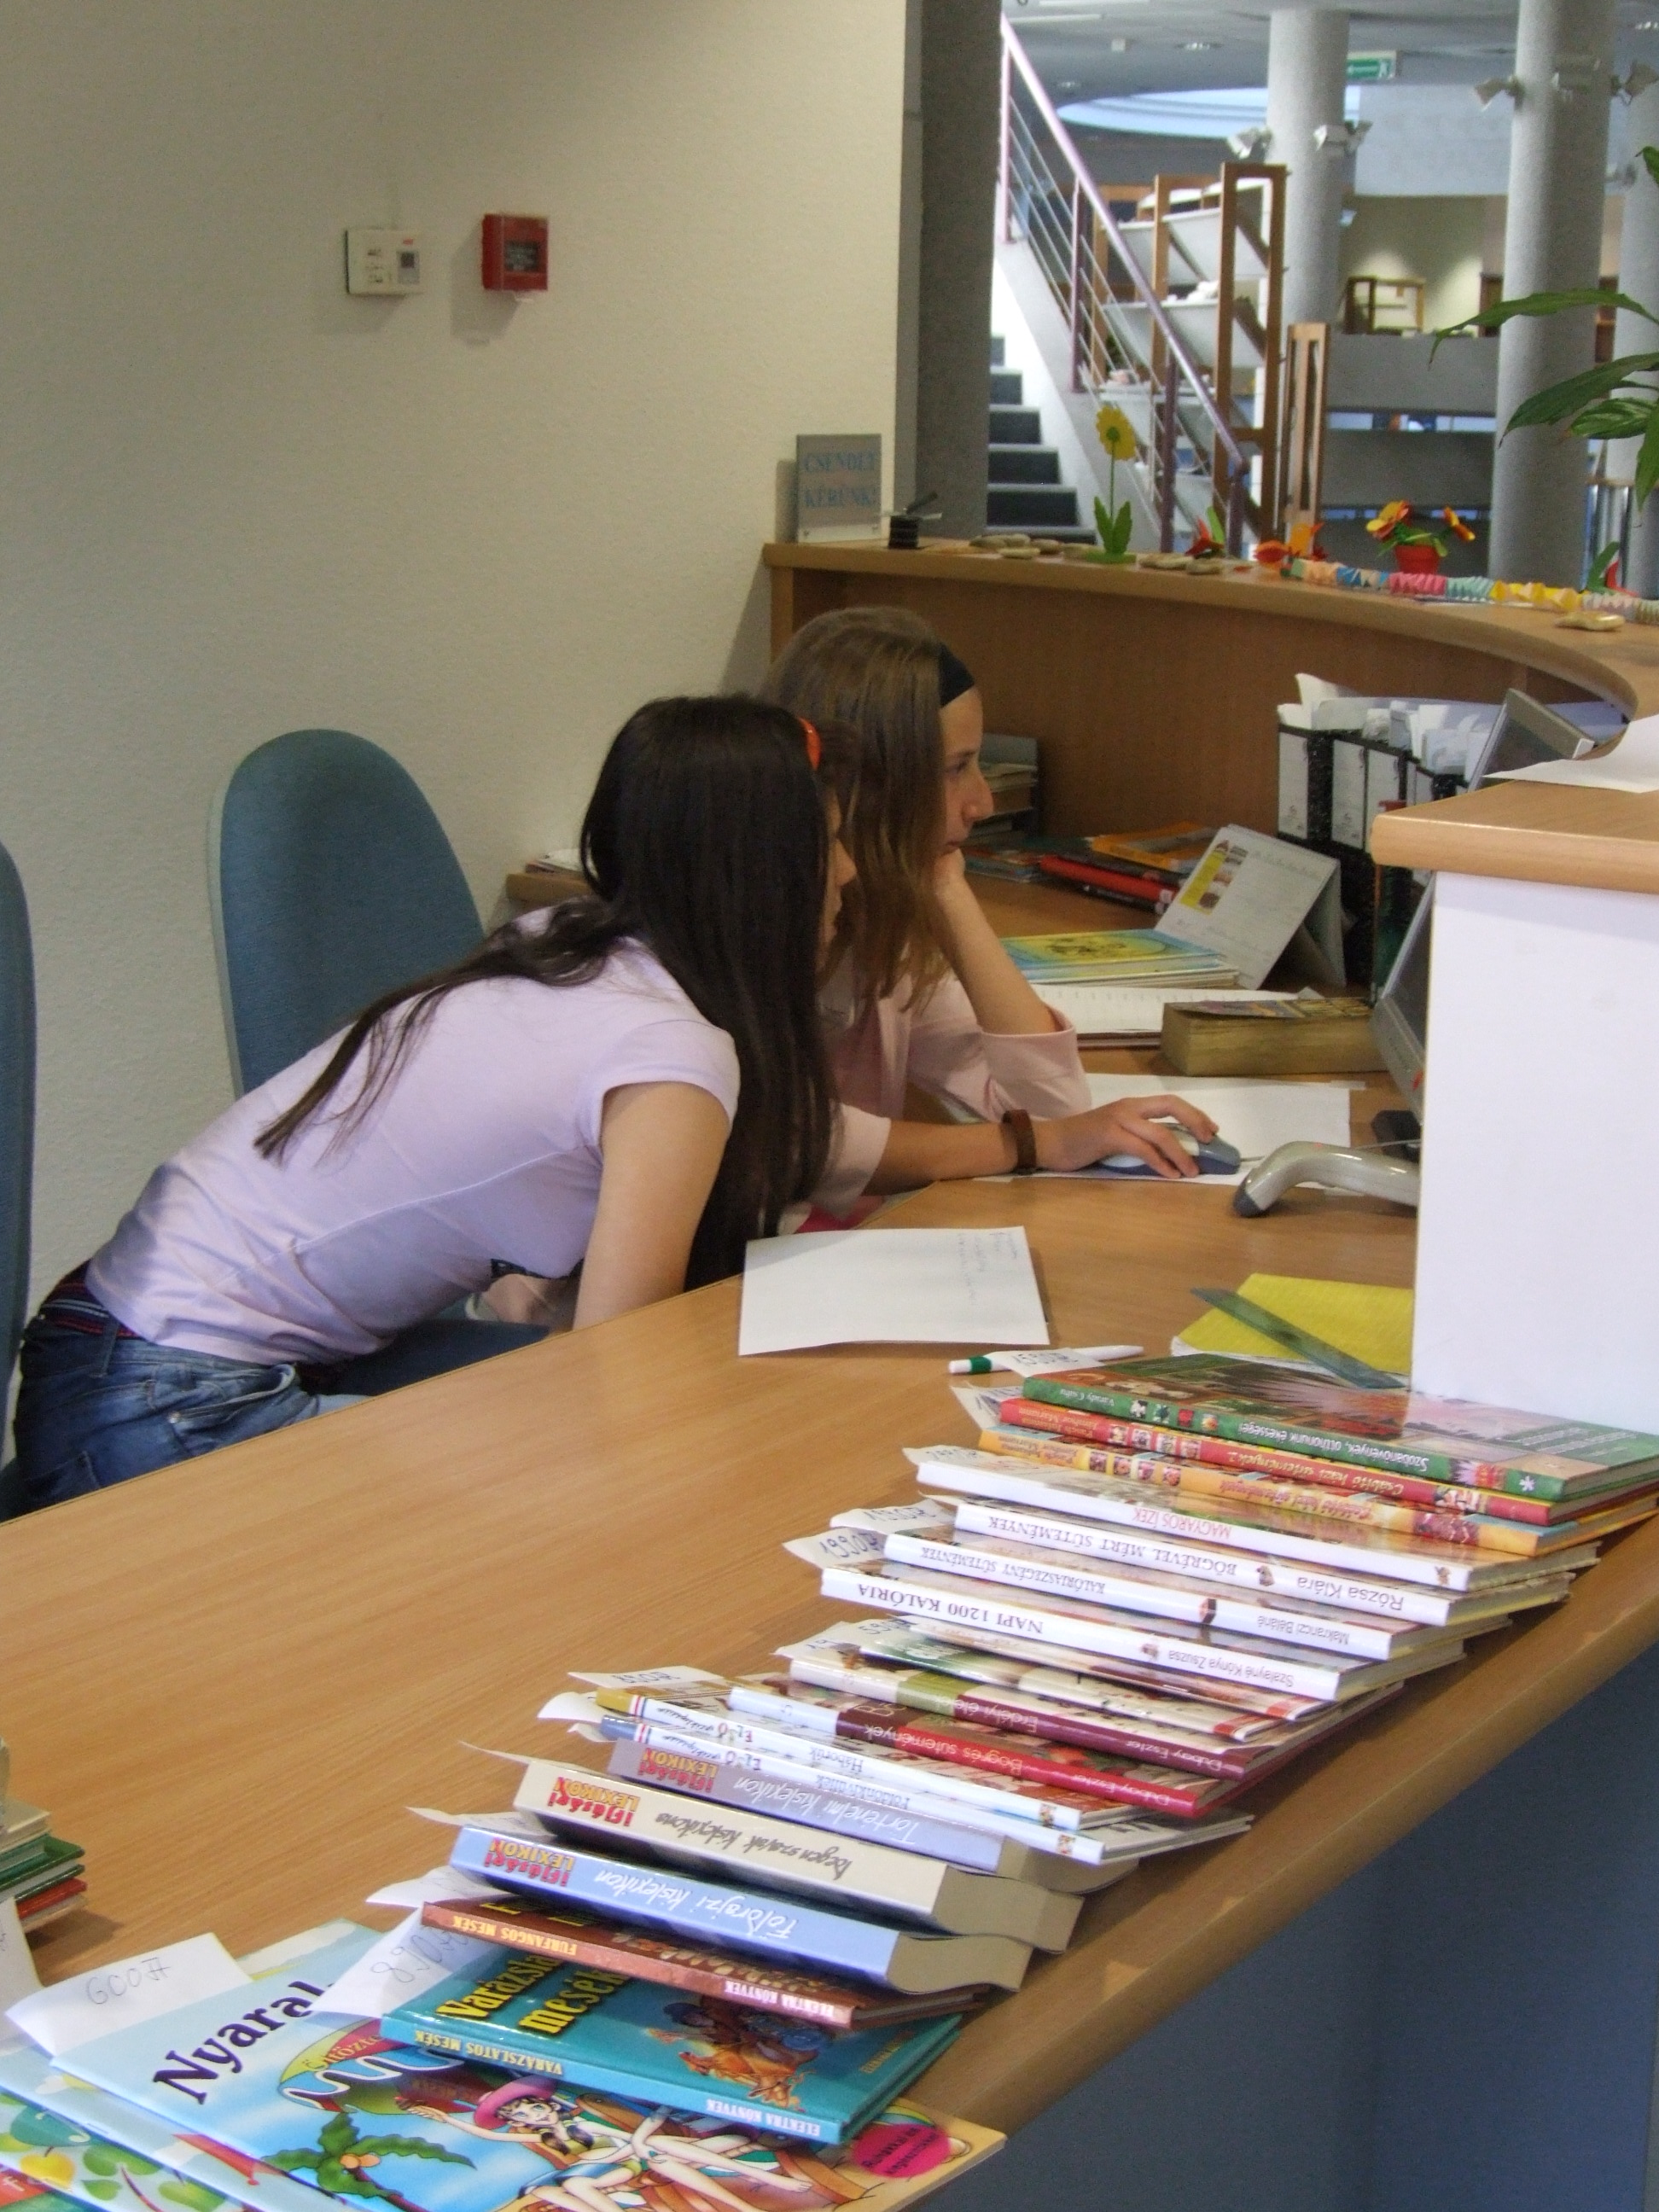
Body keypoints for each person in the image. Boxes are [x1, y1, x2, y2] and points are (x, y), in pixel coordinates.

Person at [13, 698, 857, 1508]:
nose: (850, 873)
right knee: (601, 1509)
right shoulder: (670, 1055)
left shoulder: (560, 946)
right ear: (760, 874)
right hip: (162, 1397)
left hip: (107, 1342)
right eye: (831, 844)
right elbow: (618, 1375)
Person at [760, 606, 1215, 1214]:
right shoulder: (751, 936)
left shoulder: (882, 927)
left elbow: (1056, 1109)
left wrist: (949, 892)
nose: (982, 802)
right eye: (955, 769)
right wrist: (1030, 1144)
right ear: (868, 786)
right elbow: (798, 1141)